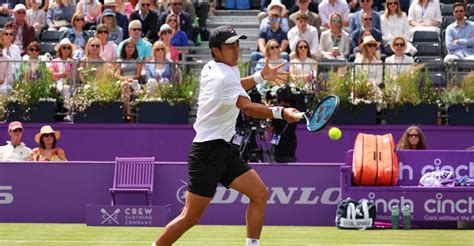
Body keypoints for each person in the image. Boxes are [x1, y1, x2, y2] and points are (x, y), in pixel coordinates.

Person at [153, 25, 300, 246]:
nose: (236, 49)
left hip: (224, 149)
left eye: (237, 44)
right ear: (216, 50)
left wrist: (260, 77)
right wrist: (281, 112)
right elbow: (247, 106)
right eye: (229, 46)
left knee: (259, 194)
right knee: (190, 217)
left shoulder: (215, 68)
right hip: (207, 152)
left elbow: (236, 87)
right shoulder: (223, 75)